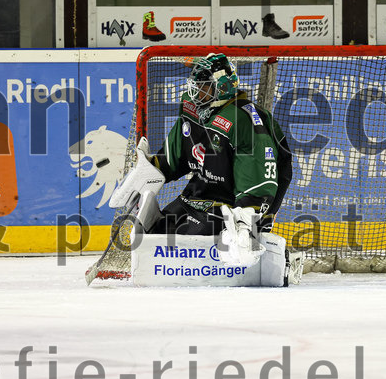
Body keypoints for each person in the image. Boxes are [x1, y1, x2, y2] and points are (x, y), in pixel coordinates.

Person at [111, 52, 293, 267]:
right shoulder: (193, 109)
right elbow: (176, 154)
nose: (197, 92)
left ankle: (249, 240)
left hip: (228, 207)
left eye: (204, 87)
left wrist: (247, 220)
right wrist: (151, 168)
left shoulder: (243, 120)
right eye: (196, 86)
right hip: (194, 198)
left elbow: (258, 175)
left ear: (223, 88)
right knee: (154, 233)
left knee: (183, 243)